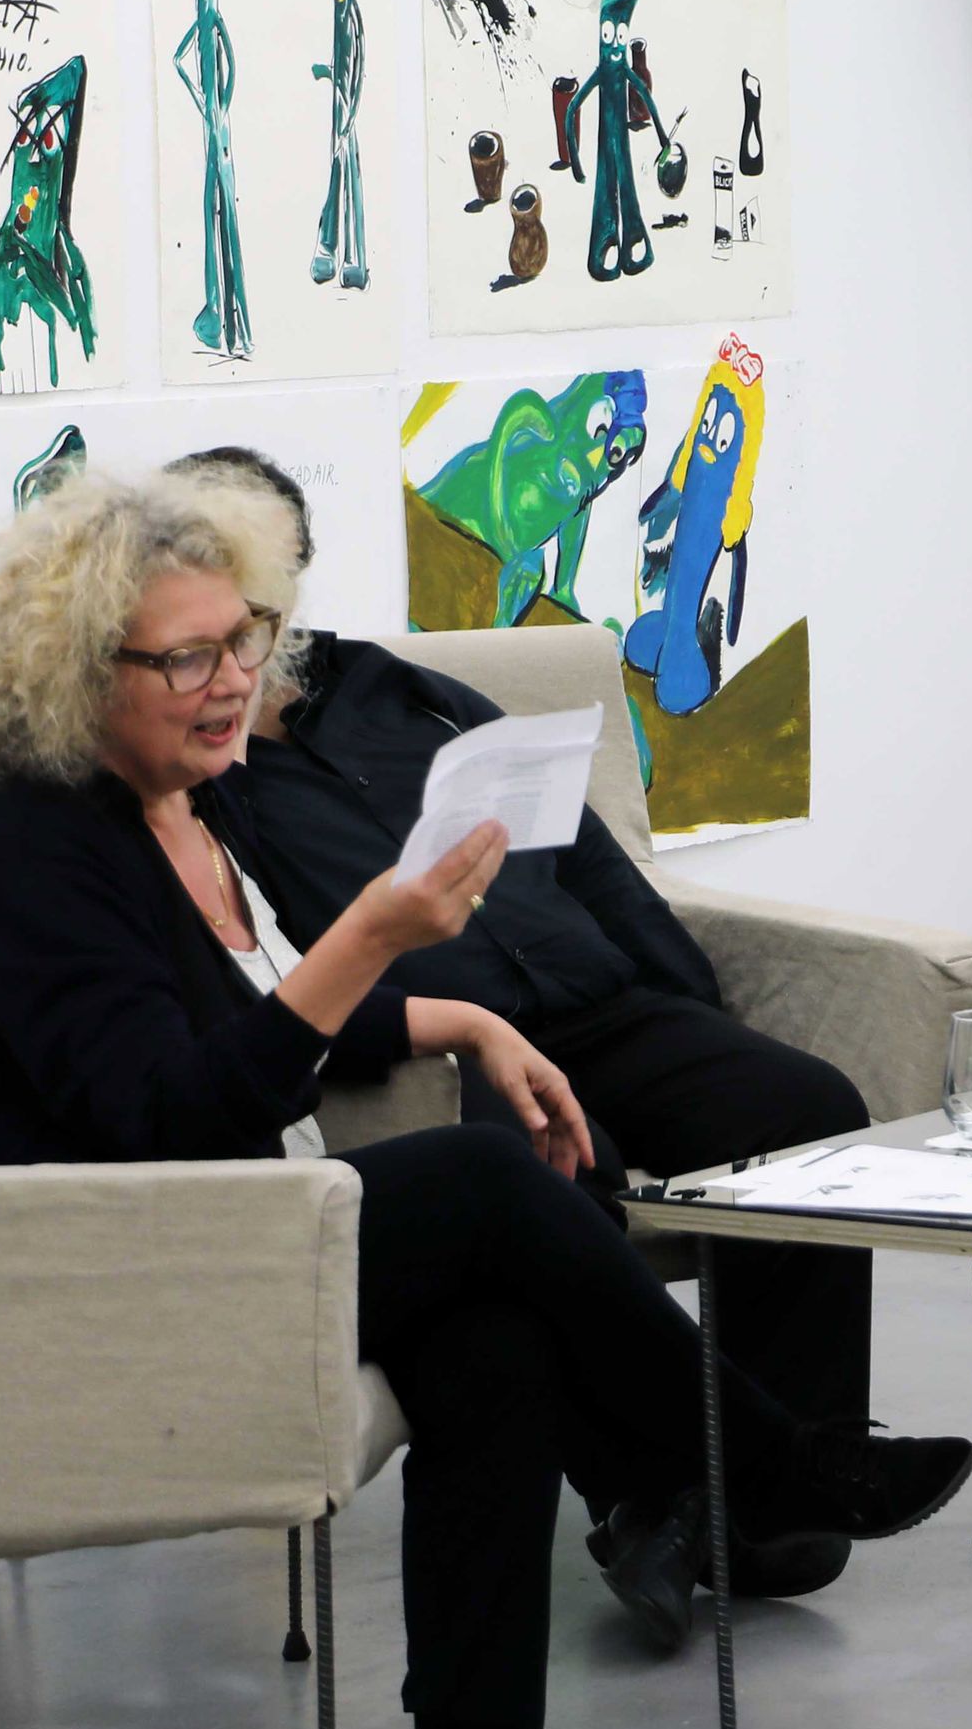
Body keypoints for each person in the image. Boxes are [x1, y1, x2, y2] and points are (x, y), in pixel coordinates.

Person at [0, 471, 972, 1729]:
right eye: (187, 658)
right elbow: (168, 1116)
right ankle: (768, 1460)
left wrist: (456, 1015)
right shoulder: (27, 852)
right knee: (485, 1186)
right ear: (77, 674)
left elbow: (235, 1032)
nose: (233, 681)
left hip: (198, 1229)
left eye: (244, 638)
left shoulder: (178, 808)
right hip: (70, 1281)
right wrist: (375, 937)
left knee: (493, 1334)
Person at [161, 445, 885, 1655]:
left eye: (264, 589)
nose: (244, 627)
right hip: (437, 1057)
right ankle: (654, 1492)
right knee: (551, 1191)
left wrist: (689, 1008)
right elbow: (254, 975)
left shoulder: (404, 689)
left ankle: (760, 1507)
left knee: (807, 1107)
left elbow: (591, 854)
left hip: (599, 1003)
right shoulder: (198, 765)